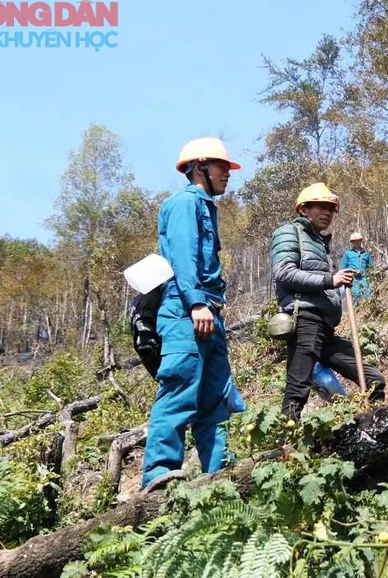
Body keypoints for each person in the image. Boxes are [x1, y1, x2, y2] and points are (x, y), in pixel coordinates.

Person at [141, 137, 247, 493]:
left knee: (215, 399)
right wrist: (195, 302)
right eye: (222, 167)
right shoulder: (185, 204)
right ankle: (158, 478)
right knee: (179, 391)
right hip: (187, 313)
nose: (228, 175)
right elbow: (184, 256)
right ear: (200, 167)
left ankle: (220, 477)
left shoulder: (206, 206)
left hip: (209, 315)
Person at [270, 183, 387, 422]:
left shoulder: (320, 242)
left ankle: (374, 427)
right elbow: (283, 273)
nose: (327, 213)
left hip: (325, 327)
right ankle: (283, 448)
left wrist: (337, 281)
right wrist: (330, 279)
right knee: (297, 389)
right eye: (321, 207)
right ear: (303, 209)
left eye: (331, 209)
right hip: (304, 321)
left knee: (373, 379)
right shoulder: (288, 233)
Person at [340, 232, 373, 302]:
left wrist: (369, 277)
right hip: (353, 281)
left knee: (367, 298)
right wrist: (352, 273)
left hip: (365, 281)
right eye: (354, 241)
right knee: (355, 299)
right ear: (352, 242)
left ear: (361, 241)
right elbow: (343, 269)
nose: (356, 242)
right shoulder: (348, 254)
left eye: (358, 240)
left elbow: (371, 268)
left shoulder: (367, 254)